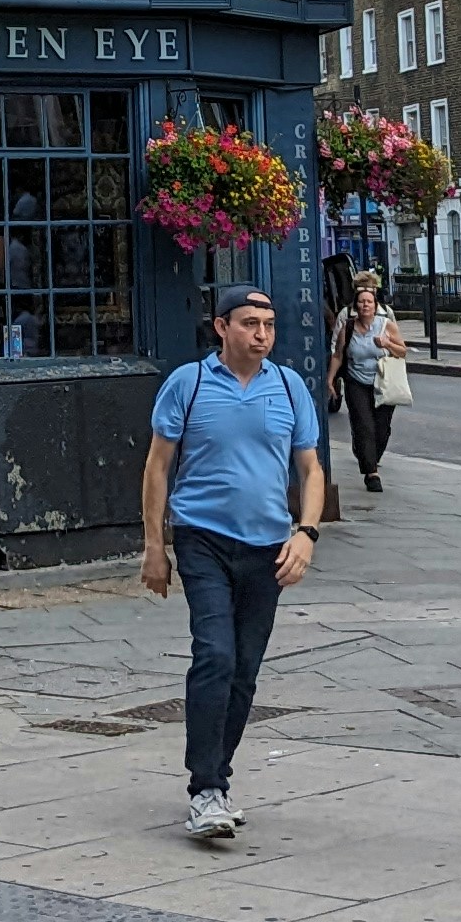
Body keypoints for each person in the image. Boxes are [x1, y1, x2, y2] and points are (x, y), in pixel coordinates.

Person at [139, 283, 327, 845]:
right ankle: (205, 789)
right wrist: (155, 546)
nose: (262, 335)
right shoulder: (189, 384)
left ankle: (218, 780)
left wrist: (307, 534)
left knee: (245, 668)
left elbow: (311, 470)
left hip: (268, 546)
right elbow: (157, 467)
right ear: (221, 327)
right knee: (215, 654)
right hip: (203, 539)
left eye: (268, 325)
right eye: (249, 324)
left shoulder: (290, 389)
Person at [325, 270, 400, 497]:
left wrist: (387, 343)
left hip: (383, 381)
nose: (366, 302)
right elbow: (336, 351)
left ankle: (369, 456)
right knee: (363, 425)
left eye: (371, 296)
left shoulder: (387, 316)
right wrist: (332, 379)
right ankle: (371, 473)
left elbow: (401, 349)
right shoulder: (346, 319)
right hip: (356, 379)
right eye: (362, 298)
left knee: (381, 429)